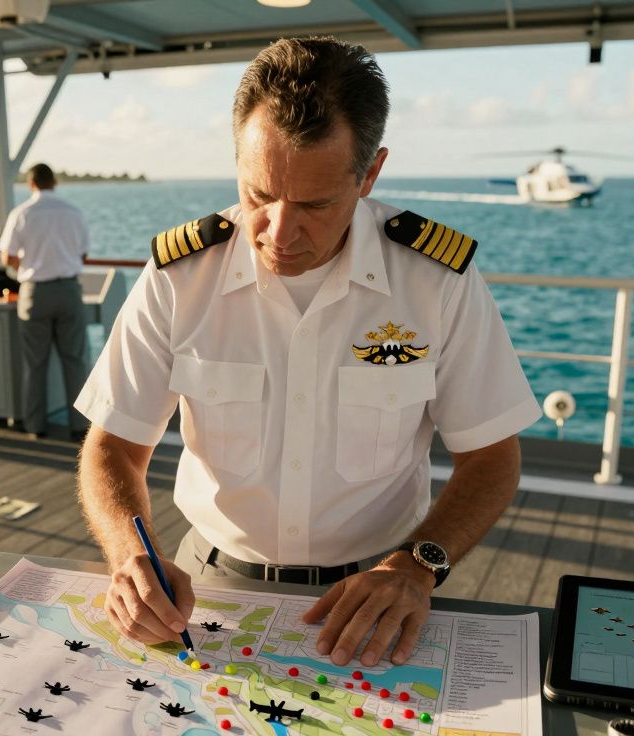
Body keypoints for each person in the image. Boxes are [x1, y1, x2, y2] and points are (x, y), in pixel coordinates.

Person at [74, 37, 540, 669]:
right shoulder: (181, 275)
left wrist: (416, 567)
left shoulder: (436, 281)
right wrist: (133, 558)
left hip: (379, 593)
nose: (278, 232)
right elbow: (115, 447)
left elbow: (491, 457)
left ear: (370, 173)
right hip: (204, 588)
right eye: (258, 195)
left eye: (315, 205)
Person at [0, 163, 92, 441]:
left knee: (35, 363)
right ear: (54, 182)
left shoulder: (22, 213)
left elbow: (7, 257)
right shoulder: (73, 213)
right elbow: (83, 254)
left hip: (34, 292)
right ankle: (79, 426)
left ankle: (35, 426)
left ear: (31, 184)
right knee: (75, 359)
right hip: (68, 291)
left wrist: (25, 266)